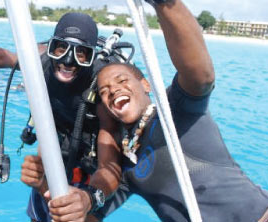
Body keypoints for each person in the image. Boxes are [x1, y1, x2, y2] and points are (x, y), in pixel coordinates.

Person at [46, 0, 268, 222]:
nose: (113, 90)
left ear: (145, 85)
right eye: (104, 92)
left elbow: (201, 77)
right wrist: (83, 202)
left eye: (122, 80)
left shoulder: (175, 111)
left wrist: (165, 4)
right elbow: (98, 202)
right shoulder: (128, 165)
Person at [0, 12, 121, 222]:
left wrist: (89, 198)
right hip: (54, 151)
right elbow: (6, 57)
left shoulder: (102, 84)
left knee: (78, 216)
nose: (68, 61)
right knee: (39, 211)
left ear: (92, 56)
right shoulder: (42, 60)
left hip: (88, 165)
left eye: (81, 54)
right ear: (52, 46)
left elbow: (110, 165)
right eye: (61, 48)